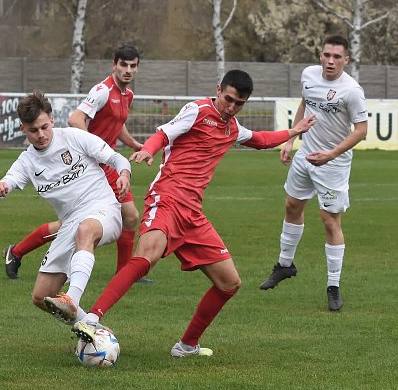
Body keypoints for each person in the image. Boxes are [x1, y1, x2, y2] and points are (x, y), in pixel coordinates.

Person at [48, 70, 316, 357]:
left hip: (192, 214)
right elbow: (165, 133)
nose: (231, 107)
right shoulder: (197, 110)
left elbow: (262, 139)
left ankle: (187, 346)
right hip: (167, 198)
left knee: (229, 282)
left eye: (239, 103)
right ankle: (91, 318)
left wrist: (294, 131)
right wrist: (149, 150)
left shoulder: (233, 128)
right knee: (147, 255)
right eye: (228, 99)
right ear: (218, 90)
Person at [2, 45, 148, 284]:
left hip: (108, 163)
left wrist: (134, 144)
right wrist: (91, 147)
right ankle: (17, 252)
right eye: (123, 65)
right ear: (114, 65)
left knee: (123, 217)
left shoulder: (127, 95)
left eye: (133, 66)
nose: (128, 70)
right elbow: (75, 119)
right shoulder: (102, 91)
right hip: (95, 164)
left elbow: (118, 123)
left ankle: (16, 252)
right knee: (118, 217)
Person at [0, 90, 132, 327]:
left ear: (52, 120)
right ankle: (92, 329)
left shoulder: (74, 137)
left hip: (103, 208)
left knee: (85, 231)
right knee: (41, 296)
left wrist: (124, 175)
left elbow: (118, 159)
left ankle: (72, 298)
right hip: (70, 223)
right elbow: (6, 183)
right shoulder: (27, 162)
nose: (41, 135)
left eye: (45, 127)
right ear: (23, 129)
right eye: (33, 130)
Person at [259, 34, 368, 311]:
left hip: (333, 164)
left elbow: (361, 131)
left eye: (336, 57)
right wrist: (290, 139)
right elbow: (304, 103)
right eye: (326, 55)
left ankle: (333, 286)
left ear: (346, 60)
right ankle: (285, 265)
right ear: (320, 55)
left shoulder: (352, 91)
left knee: (330, 222)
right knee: (292, 205)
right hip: (305, 156)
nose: (330, 61)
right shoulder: (308, 75)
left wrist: (331, 154)